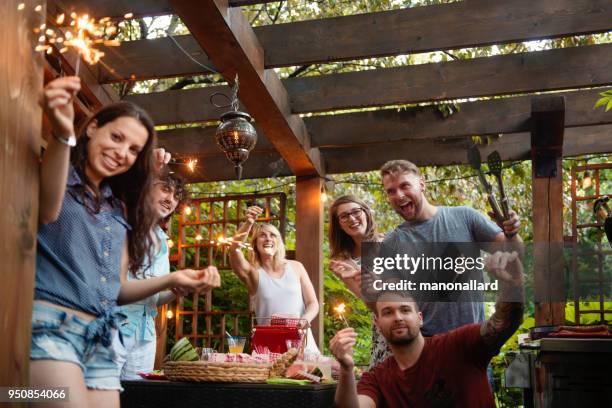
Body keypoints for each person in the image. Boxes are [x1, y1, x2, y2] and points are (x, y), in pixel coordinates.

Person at [32, 76, 220, 408]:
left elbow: (117, 289)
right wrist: (63, 134)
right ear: (93, 129)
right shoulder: (60, 175)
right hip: (51, 329)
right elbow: (48, 208)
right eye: (116, 137)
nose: (122, 153)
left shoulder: (118, 208)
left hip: (102, 337)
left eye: (134, 150)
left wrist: (175, 279)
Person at [330, 251, 525, 407]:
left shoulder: (458, 345)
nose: (398, 317)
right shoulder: (378, 377)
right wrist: (346, 368)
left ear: (420, 318)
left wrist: (513, 285)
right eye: (388, 312)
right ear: (378, 325)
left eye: (405, 310)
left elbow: (503, 323)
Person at [377, 159, 522, 337]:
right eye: (391, 191)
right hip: (427, 344)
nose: (399, 195)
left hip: (474, 339)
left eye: (405, 186)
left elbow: (515, 253)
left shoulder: (465, 217)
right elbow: (395, 301)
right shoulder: (391, 243)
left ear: (422, 184)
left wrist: (511, 233)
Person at [114, 171, 190, 380]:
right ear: (146, 188)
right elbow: (116, 288)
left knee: (138, 398)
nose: (170, 200)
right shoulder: (125, 224)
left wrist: (176, 291)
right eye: (166, 189)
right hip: (114, 326)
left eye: (176, 196)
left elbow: (154, 299)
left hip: (145, 334)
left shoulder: (162, 239)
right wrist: (172, 279)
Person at [229, 205, 320, 354]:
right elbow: (234, 249)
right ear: (255, 245)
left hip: (302, 344)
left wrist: (305, 320)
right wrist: (249, 223)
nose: (268, 238)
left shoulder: (297, 267)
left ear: (279, 242)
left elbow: (313, 303)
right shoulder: (253, 274)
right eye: (262, 235)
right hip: (268, 349)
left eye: (273, 235)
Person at [328, 195, 390, 369]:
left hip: (406, 316)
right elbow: (370, 302)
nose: (352, 219)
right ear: (338, 224)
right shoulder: (344, 260)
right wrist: (351, 277)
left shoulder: (390, 242)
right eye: (344, 216)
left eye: (356, 212)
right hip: (381, 324)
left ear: (366, 213)